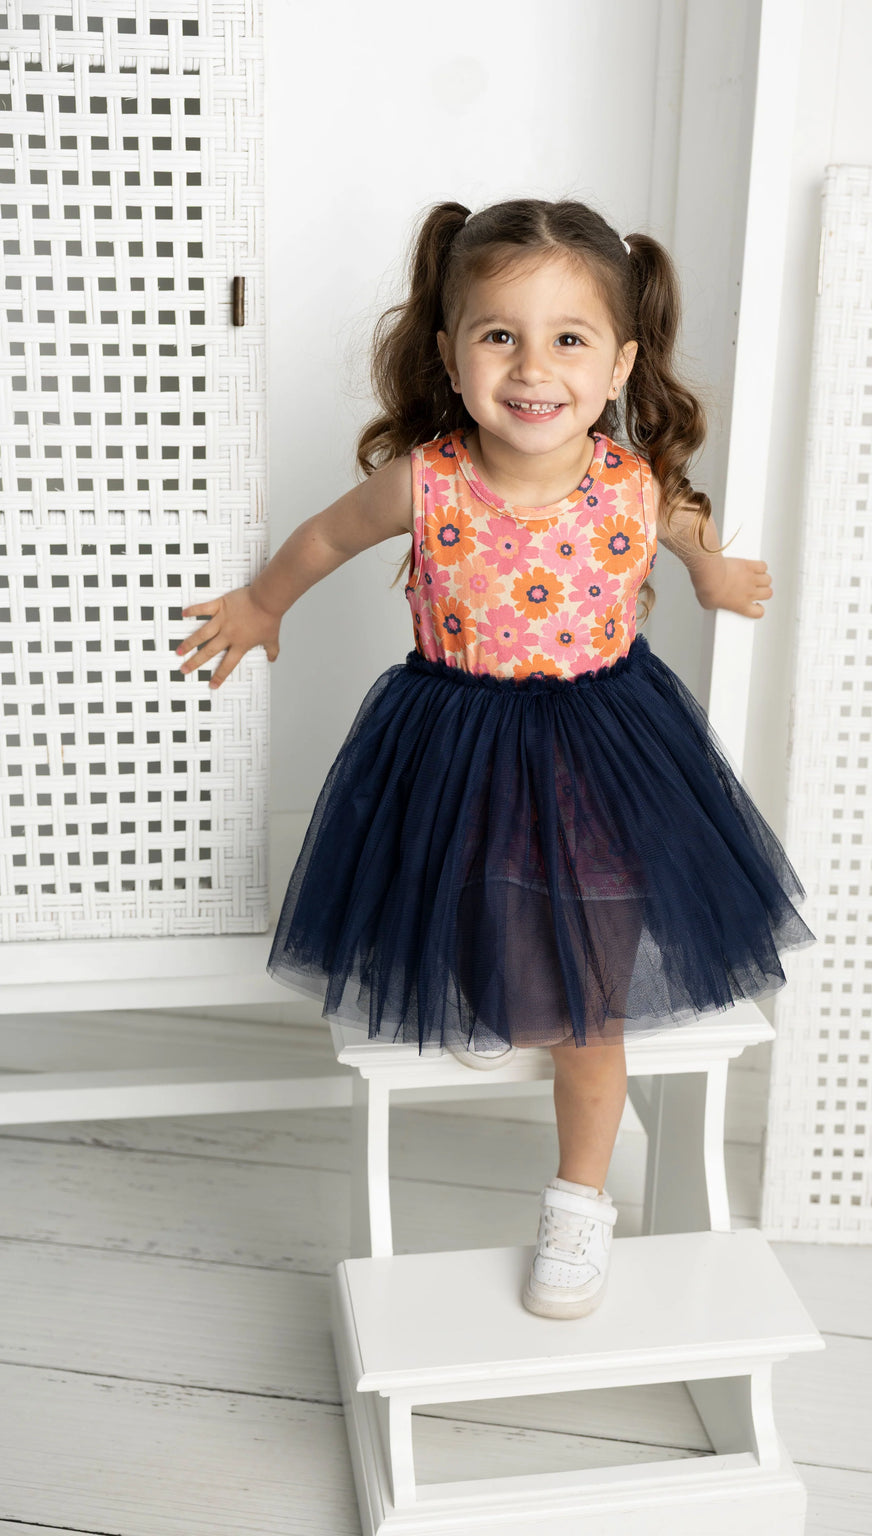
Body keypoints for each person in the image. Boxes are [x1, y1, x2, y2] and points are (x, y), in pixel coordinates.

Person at [175, 198, 815, 1321]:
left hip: (606, 754)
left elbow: (685, 527)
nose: (532, 368)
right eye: (499, 335)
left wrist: (715, 574)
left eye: (568, 338)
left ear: (619, 364)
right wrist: (263, 603)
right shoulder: (423, 482)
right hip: (456, 745)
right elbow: (324, 536)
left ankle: (578, 1202)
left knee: (592, 1011)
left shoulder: (630, 482)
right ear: (449, 351)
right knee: (475, 894)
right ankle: (498, 988)